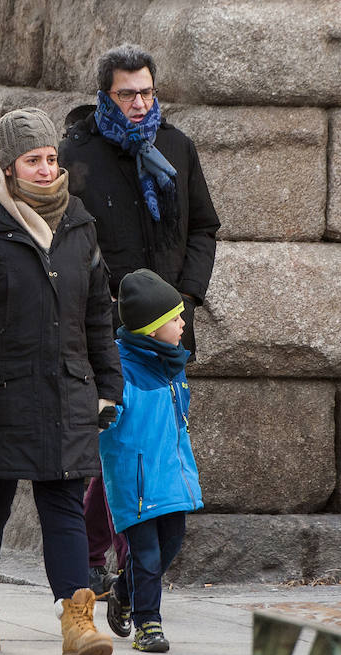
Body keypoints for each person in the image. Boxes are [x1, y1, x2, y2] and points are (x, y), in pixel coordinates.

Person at [0, 107, 122, 655]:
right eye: (32, 160)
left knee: (64, 505)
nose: (46, 170)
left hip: (66, 391)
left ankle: (78, 626)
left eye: (50, 158)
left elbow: (98, 314)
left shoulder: (80, 224)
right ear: (8, 166)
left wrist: (108, 383)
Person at [59, 43, 220, 595]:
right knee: (114, 447)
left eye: (147, 92)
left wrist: (188, 297)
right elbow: (67, 241)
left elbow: (203, 227)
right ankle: (96, 559)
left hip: (169, 330)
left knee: (153, 445)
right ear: (106, 94)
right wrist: (97, 307)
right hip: (104, 330)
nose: (138, 102)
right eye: (127, 93)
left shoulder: (176, 146)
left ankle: (133, 570)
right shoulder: (77, 152)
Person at [98, 269, 204, 653]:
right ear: (151, 329)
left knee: (172, 542)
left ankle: (123, 591)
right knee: (146, 553)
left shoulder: (173, 364)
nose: (182, 323)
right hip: (135, 475)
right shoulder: (119, 369)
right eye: (174, 319)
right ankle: (148, 625)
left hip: (172, 472)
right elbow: (103, 418)